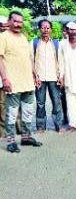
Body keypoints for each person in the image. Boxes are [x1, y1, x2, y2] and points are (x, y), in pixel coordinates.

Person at [0, 11, 42, 153]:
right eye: (16, 21)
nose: (19, 24)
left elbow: (29, 58)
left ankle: (26, 137)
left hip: (27, 82)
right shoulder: (3, 37)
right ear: (9, 21)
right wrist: (4, 79)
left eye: (20, 21)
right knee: (11, 113)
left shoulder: (24, 37)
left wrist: (35, 75)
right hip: (13, 83)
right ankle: (10, 141)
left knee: (28, 111)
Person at [31, 19, 63, 134]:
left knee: (56, 102)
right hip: (40, 79)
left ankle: (58, 125)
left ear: (50, 29)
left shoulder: (55, 43)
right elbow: (31, 61)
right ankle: (40, 127)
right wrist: (34, 77)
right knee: (40, 103)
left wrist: (61, 76)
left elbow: (60, 61)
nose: (45, 30)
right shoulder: (34, 42)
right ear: (39, 29)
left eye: (47, 28)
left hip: (54, 77)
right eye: (43, 27)